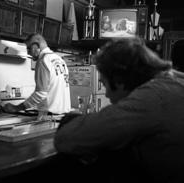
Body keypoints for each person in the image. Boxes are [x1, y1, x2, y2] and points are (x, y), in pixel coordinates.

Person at [54, 38, 184, 183]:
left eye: (104, 84)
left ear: (119, 80)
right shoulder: (174, 82)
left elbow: (65, 138)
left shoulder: (152, 97)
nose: (107, 95)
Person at [2, 33, 71, 119]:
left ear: (36, 46)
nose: (28, 52)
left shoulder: (43, 61)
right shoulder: (60, 60)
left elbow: (40, 94)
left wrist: (16, 108)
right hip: (63, 117)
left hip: (49, 118)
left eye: (28, 48)